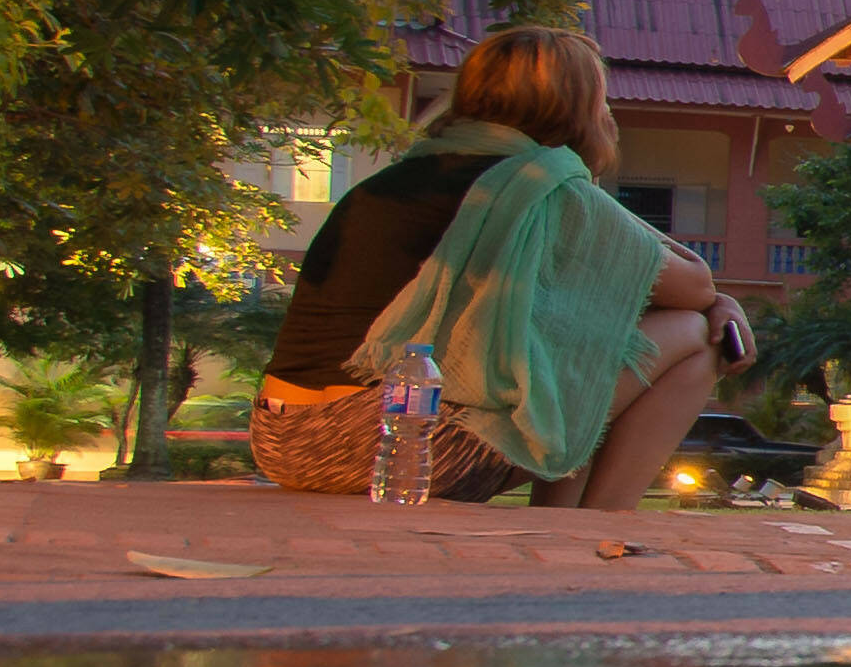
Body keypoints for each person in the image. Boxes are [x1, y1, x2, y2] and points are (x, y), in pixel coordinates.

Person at [252, 26, 750, 509]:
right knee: (695, 332)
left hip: (282, 440)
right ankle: (599, 520)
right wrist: (586, 184)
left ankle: (564, 518)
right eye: (600, 102)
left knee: (583, 336)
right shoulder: (541, 191)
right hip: (399, 446)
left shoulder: (403, 175)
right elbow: (695, 287)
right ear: (575, 111)